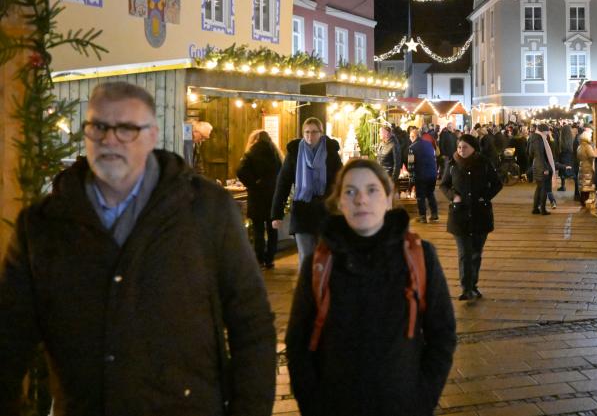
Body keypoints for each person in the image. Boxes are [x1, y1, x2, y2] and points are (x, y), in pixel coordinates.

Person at [0, 81, 276, 415]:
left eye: (126, 128)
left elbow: (252, 322)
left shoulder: (205, 210)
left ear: (151, 135)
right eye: (98, 127)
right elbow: (8, 338)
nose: (110, 139)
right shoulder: (44, 226)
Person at [285, 159, 456, 416]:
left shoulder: (419, 257)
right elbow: (298, 341)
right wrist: (313, 405)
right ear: (339, 202)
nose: (361, 200)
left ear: (388, 199)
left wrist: (422, 400)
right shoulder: (320, 263)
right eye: (350, 191)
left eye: (372, 190)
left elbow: (442, 333)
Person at [440, 133, 502, 300]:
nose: (461, 150)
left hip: (480, 213)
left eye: (465, 147)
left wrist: (485, 197)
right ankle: (466, 288)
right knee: (464, 253)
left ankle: (473, 285)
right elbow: (444, 185)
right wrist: (453, 196)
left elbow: (497, 183)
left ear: (473, 148)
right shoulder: (452, 163)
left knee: (476, 253)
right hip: (459, 215)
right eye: (459, 147)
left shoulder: (484, 163)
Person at [272, 117, 342, 265]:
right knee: (305, 256)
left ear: (321, 133)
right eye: (307, 132)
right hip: (302, 210)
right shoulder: (295, 153)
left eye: (314, 132)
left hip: (325, 210)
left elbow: (340, 181)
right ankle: (306, 280)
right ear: (303, 133)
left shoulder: (330, 152)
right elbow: (283, 183)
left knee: (324, 255)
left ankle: (321, 280)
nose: (310, 136)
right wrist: (276, 214)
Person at [237, 129, 283, 268]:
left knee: (258, 230)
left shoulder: (251, 153)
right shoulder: (276, 153)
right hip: (273, 196)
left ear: (254, 139)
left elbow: (240, 171)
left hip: (257, 196)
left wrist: (253, 183)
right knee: (272, 229)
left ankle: (259, 259)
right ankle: (270, 259)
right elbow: (282, 173)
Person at [412, 129, 440, 223]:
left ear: (413, 136)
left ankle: (422, 216)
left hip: (420, 174)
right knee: (430, 193)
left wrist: (411, 178)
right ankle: (434, 214)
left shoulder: (412, 147)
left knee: (420, 196)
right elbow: (434, 156)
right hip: (432, 173)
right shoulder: (429, 144)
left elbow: (410, 165)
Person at [528, 124, 553, 215]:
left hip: (536, 164)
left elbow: (530, 153)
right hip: (541, 166)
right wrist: (545, 168)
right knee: (543, 188)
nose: (548, 133)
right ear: (543, 131)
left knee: (539, 187)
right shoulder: (540, 139)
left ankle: (535, 208)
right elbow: (540, 155)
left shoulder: (532, 138)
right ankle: (543, 209)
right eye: (547, 131)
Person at [577, 128, 597, 210]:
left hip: (582, 166)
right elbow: (592, 155)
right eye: (590, 136)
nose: (591, 137)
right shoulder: (587, 146)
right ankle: (585, 202)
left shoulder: (580, 146)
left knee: (583, 185)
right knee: (587, 186)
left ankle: (582, 201)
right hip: (587, 167)